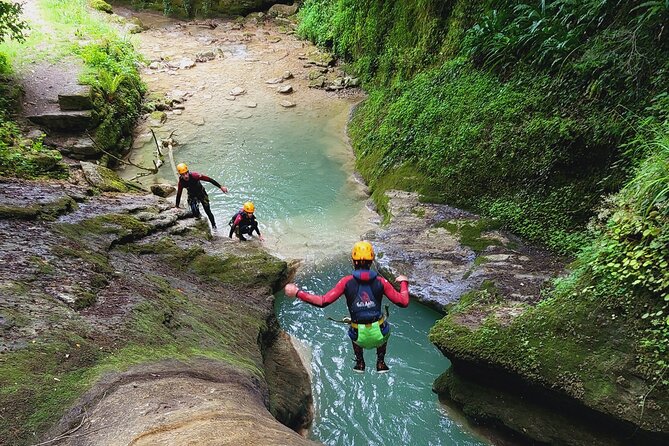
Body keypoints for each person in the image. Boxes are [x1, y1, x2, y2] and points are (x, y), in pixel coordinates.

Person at [284, 241, 409, 373]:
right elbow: (403, 302)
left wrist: (298, 292)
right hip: (380, 333)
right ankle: (381, 363)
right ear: (371, 261)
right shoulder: (381, 282)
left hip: (358, 336)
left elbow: (322, 301)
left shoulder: (346, 282)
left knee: (354, 333)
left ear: (353, 261)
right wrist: (404, 283)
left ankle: (360, 364)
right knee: (383, 331)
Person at [174, 162, 228, 229]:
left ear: (188, 172)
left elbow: (209, 179)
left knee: (208, 211)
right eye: (183, 174)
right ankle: (200, 218)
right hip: (192, 196)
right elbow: (179, 194)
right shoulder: (181, 182)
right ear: (180, 175)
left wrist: (221, 187)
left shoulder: (195, 175)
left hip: (201, 193)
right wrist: (177, 206)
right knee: (194, 211)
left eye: (186, 173)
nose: (186, 176)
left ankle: (214, 226)